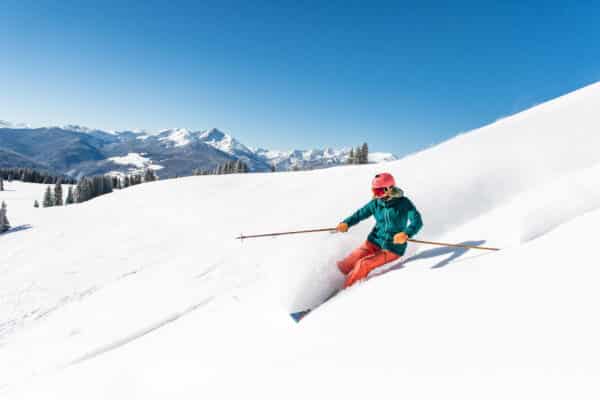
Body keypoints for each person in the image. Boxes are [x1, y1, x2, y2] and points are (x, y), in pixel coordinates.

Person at [336, 172, 423, 288]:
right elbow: (359, 214)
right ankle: (330, 285)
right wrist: (346, 223)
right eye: (374, 191)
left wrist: (406, 234)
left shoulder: (404, 203)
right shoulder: (376, 203)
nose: (376, 195)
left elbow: (417, 221)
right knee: (348, 263)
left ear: (390, 188)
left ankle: (342, 293)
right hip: (373, 242)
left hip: (393, 247)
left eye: (379, 191)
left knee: (363, 264)